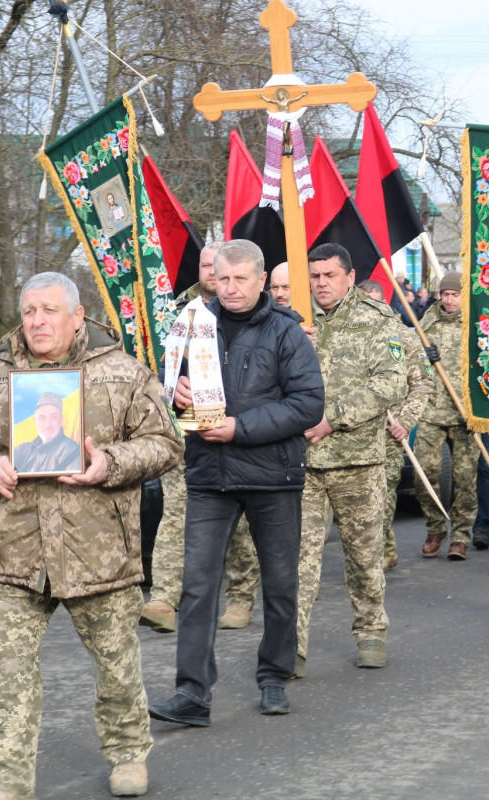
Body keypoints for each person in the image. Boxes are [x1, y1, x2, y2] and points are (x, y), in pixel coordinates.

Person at [0, 271, 184, 800]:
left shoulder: (122, 374)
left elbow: (165, 443)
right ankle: (4, 782)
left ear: (77, 317)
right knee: (4, 676)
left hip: (98, 550)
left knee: (116, 666)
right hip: (15, 551)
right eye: (29, 311)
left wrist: (110, 462)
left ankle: (127, 753)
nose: (38, 321)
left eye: (50, 310)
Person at [149, 240, 324, 726]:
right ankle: (192, 693)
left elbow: (308, 404)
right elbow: (166, 392)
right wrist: (176, 392)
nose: (230, 288)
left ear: (261, 280)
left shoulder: (288, 333)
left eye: (241, 279)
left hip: (273, 476)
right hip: (210, 475)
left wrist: (238, 428)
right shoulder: (191, 327)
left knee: (281, 584)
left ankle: (273, 677)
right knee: (198, 587)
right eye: (222, 278)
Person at [295, 243, 407, 673]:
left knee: (363, 557)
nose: (321, 283)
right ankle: (293, 644)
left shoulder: (377, 320)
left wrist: (334, 419)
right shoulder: (294, 320)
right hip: (304, 464)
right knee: (298, 561)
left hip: (358, 461)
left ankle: (371, 630)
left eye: (329, 275)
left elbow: (392, 383)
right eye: (315, 275)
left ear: (349, 275)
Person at [141, 242, 260, 634]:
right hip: (185, 435)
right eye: (207, 266)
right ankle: (163, 598)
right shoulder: (176, 313)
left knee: (239, 522)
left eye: (220, 267)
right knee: (176, 516)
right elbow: (159, 371)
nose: (213, 273)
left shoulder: (248, 314)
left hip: (236, 433)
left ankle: (240, 597)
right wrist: (173, 389)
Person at [359, 279, 433, 570]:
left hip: (388, 433)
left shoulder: (402, 336)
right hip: (352, 432)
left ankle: (379, 554)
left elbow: (423, 384)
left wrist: (405, 420)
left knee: (383, 495)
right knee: (363, 499)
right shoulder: (345, 335)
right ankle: (383, 547)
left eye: (375, 303)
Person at [411, 271, 480, 560]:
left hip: (465, 413)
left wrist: (477, 408)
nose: (449, 300)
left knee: (466, 478)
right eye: (446, 294)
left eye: (455, 295)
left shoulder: (477, 326)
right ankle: (436, 525)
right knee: (423, 473)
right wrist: (424, 356)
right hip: (431, 410)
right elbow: (411, 359)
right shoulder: (426, 322)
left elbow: (488, 367)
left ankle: (461, 535)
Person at [12, 391, 81, 474]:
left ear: (61, 420)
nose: (47, 424)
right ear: (35, 421)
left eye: (53, 417)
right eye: (42, 418)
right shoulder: (24, 450)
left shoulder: (71, 450)